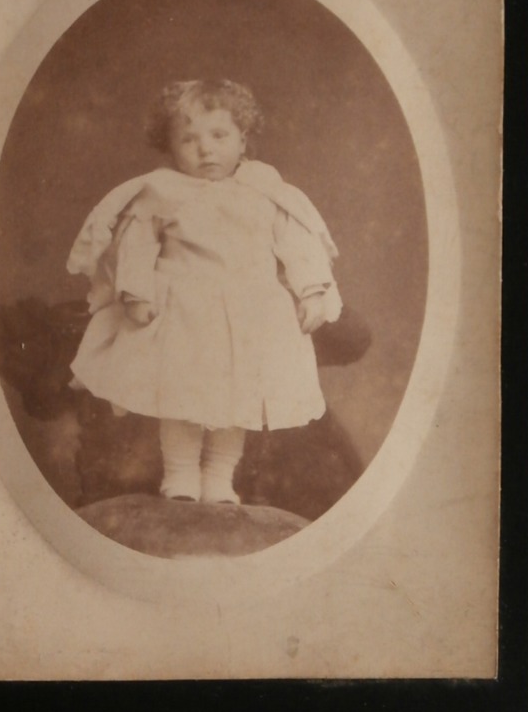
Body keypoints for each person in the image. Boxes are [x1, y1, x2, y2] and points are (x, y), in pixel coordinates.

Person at [66, 79, 342, 505]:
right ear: (170, 146)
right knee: (180, 392)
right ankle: (179, 475)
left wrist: (312, 292)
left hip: (251, 312)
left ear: (242, 139)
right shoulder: (162, 191)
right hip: (185, 311)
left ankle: (218, 476)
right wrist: (136, 292)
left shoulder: (264, 190)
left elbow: (298, 242)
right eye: (188, 139)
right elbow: (137, 244)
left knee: (239, 397)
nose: (205, 150)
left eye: (219, 136)